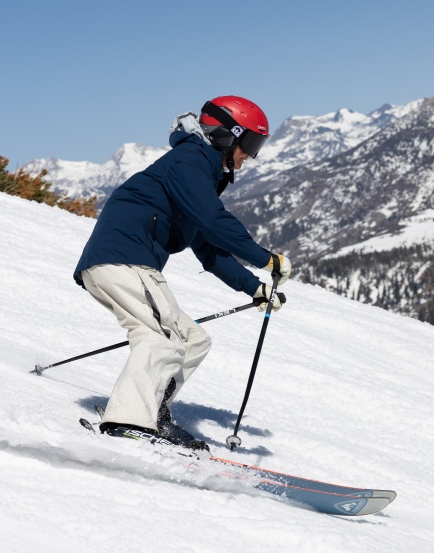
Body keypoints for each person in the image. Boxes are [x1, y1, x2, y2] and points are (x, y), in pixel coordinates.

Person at [73, 95, 292, 451]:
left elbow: (208, 246)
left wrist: (253, 287)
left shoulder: (200, 172)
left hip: (127, 263)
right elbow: (213, 220)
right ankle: (127, 420)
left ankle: (152, 414)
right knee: (161, 339)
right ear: (226, 135)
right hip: (123, 259)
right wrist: (264, 258)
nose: (250, 155)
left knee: (193, 340)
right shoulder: (190, 160)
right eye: (250, 143)